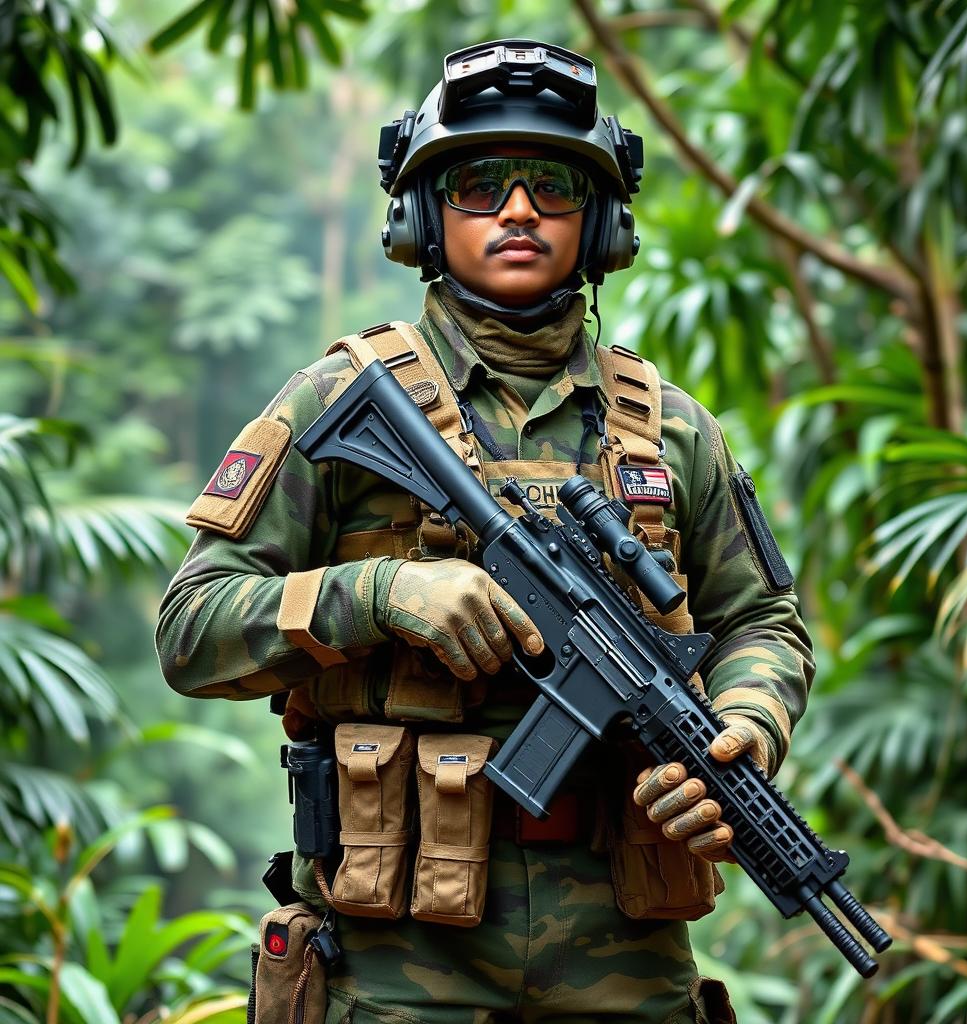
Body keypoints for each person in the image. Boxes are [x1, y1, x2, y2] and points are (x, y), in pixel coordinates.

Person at [157, 38, 813, 1024]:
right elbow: (191, 628)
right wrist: (381, 595)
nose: (517, 211)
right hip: (396, 957)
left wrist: (745, 726)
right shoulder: (339, 403)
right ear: (424, 214)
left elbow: (763, 620)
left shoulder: (672, 428)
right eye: (477, 186)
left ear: (598, 223)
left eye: (551, 185)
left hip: (623, 957)